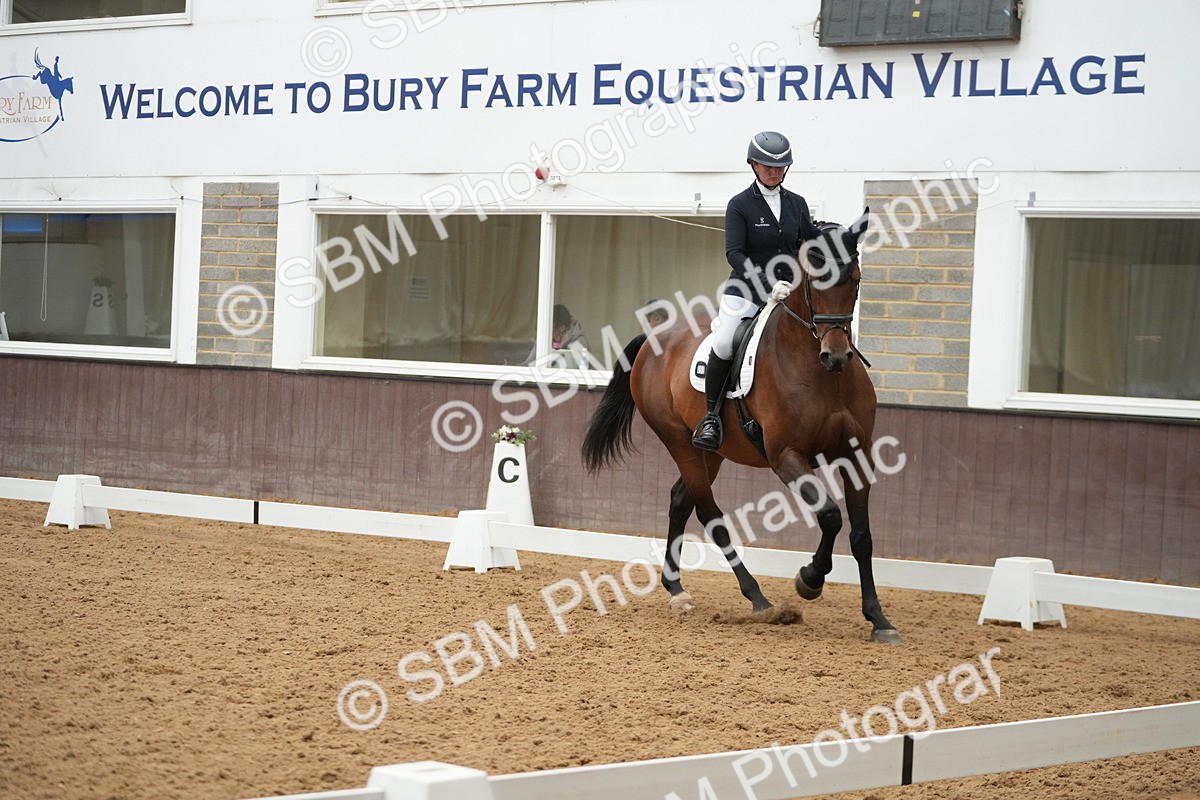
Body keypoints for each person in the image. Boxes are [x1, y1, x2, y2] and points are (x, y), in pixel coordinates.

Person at [692, 130, 822, 451]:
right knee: (724, 342)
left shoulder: (798, 204)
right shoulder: (739, 205)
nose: (774, 173)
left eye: (780, 168)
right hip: (745, 291)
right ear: (753, 164)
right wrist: (766, 285)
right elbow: (734, 253)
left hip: (789, 291)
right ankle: (711, 417)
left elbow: (807, 242)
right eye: (768, 167)